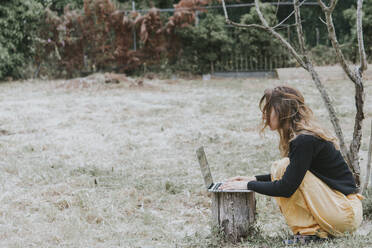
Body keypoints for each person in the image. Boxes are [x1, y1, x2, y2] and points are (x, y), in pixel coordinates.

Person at [219, 85, 363, 244]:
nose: (265, 115)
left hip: (344, 214)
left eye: (269, 109)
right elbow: (293, 174)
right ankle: (313, 232)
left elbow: (286, 187)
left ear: (281, 110)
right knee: (284, 167)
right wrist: (251, 178)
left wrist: (249, 185)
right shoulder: (303, 138)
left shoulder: (304, 140)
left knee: (282, 166)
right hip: (343, 212)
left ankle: (309, 234)